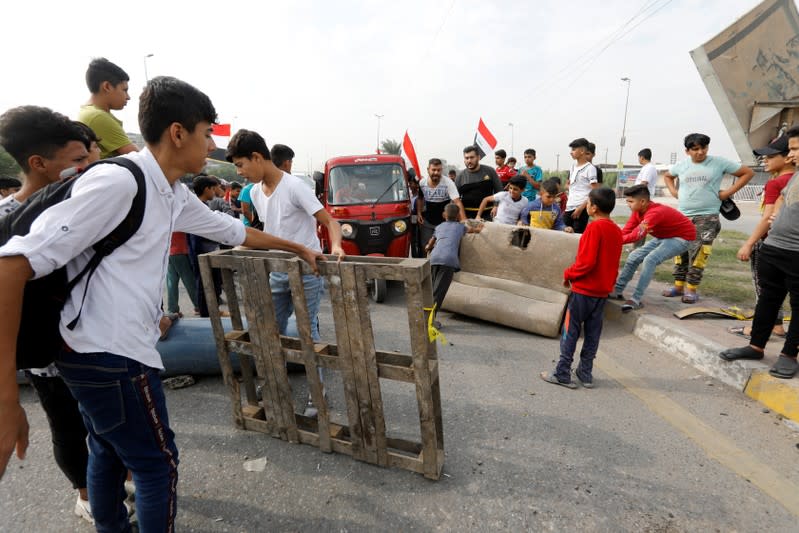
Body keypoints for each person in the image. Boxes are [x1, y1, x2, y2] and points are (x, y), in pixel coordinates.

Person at [0, 77, 324, 532]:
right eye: (207, 132)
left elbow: (231, 231)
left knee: (107, 448)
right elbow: (11, 265)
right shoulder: (120, 181)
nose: (212, 144)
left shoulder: (170, 191)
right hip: (109, 354)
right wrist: (6, 399)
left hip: (97, 351)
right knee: (157, 464)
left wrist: (297, 247)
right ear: (178, 133)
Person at [0, 106, 99, 522]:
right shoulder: (8, 219)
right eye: (78, 160)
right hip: (47, 354)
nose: (88, 167)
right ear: (39, 163)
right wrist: (6, 395)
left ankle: (118, 478)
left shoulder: (82, 205)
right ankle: (86, 495)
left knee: (105, 420)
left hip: (96, 341)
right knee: (67, 423)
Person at [226, 129, 345, 416]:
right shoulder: (255, 192)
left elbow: (330, 221)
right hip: (277, 272)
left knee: (307, 332)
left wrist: (338, 246)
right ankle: (274, 387)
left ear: (257, 157)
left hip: (307, 270)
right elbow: (271, 232)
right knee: (271, 329)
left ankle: (318, 394)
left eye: (241, 165)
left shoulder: (294, 187)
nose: (240, 173)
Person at [719, 127, 799, 380]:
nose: (791, 155)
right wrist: (776, 215)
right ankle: (756, 346)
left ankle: (788, 355)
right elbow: (780, 203)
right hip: (774, 248)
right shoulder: (795, 177)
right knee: (767, 300)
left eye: (795, 149)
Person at [540, 188, 622, 389]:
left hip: (584, 291)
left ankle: (562, 373)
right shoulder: (616, 230)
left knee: (571, 330)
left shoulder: (594, 229)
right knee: (593, 333)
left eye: (587, 203)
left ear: (593, 208)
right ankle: (585, 373)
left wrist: (568, 274)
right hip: (602, 292)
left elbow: (586, 262)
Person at [662, 133, 754, 303]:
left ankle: (691, 289)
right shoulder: (681, 165)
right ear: (687, 151)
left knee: (699, 253)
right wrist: (674, 192)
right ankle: (678, 286)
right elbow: (668, 176)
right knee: (679, 251)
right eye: (695, 149)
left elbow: (747, 173)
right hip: (683, 216)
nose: (700, 152)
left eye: (703, 148)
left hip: (707, 215)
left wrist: (727, 193)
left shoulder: (718, 163)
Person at [730, 135, 794, 339]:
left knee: (765, 289)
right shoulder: (794, 180)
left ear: (787, 158)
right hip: (791, 247)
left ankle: (758, 329)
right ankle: (776, 325)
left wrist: (749, 243)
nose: (764, 161)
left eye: (770, 156)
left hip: (769, 242)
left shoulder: (776, 183)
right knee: (782, 289)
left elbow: (768, 218)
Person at [610, 184, 695, 312]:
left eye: (631, 201)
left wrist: (614, 242)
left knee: (650, 260)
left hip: (683, 237)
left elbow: (637, 234)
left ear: (643, 201)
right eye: (627, 201)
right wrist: (613, 240)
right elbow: (628, 230)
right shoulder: (637, 211)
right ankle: (617, 290)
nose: (628, 204)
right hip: (664, 236)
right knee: (634, 256)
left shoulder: (654, 213)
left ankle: (636, 299)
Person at [424, 203, 483, 328]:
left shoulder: (439, 227)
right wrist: (480, 227)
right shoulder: (460, 227)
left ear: (444, 215)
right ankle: (429, 322)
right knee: (438, 293)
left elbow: (431, 242)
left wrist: (428, 247)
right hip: (448, 260)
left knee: (433, 289)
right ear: (457, 216)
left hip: (434, 258)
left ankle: (425, 317)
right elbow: (474, 230)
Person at [77, 58, 138, 159]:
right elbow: (136, 156)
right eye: (124, 90)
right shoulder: (97, 117)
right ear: (107, 87)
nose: (128, 97)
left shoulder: (89, 112)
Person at [419, 158, 465, 245]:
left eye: (438, 170)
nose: (436, 172)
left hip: (445, 224)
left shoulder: (448, 182)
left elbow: (457, 202)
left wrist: (463, 220)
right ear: (428, 169)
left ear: (442, 170)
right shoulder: (422, 183)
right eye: (433, 170)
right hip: (428, 223)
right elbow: (419, 198)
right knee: (426, 246)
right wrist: (418, 213)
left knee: (444, 246)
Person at [455, 145, 503, 220]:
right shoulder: (460, 176)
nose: (469, 161)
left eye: (472, 157)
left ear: (478, 157)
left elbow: (499, 191)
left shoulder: (490, 171)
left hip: (489, 214)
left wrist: (496, 206)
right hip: (467, 216)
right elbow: (455, 199)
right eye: (466, 158)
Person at [563, 138, 600, 233]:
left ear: (582, 151)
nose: (571, 152)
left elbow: (594, 191)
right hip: (569, 206)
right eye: (571, 150)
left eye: (574, 149)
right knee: (564, 233)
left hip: (581, 208)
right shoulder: (572, 167)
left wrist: (581, 208)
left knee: (577, 236)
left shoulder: (590, 168)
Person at [166, 232, 199, 317]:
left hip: (169, 251)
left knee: (171, 282)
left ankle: (172, 310)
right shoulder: (175, 218)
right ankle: (198, 305)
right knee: (189, 280)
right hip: (180, 250)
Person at [408, 178, 425, 258]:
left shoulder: (419, 197)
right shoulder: (409, 195)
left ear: (417, 185)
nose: (410, 185)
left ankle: (420, 255)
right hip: (411, 218)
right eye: (410, 183)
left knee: (418, 237)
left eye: (412, 183)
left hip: (415, 217)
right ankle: (414, 255)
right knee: (413, 238)